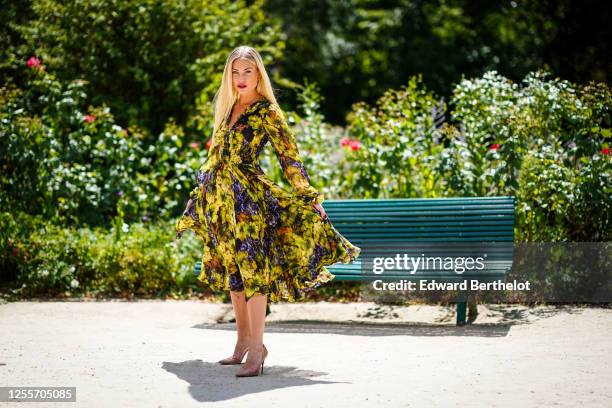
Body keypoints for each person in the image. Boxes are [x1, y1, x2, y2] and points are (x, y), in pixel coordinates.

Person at [174, 45, 361, 377]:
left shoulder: (267, 112)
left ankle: (258, 350)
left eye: (247, 71)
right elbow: (214, 160)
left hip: (249, 204)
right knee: (235, 278)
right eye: (235, 71)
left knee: (254, 274)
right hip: (222, 205)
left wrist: (308, 195)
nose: (241, 78)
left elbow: (289, 157)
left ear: (259, 73)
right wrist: (199, 198)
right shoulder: (227, 108)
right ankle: (242, 343)